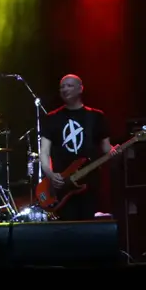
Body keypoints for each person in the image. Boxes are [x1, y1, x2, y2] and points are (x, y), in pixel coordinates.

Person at [39, 74, 112, 221]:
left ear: (80, 89)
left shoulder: (96, 116)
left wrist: (117, 151)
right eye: (62, 87)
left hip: (89, 184)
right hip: (63, 185)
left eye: (69, 86)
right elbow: (44, 152)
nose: (65, 89)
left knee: (88, 226)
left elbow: (106, 149)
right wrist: (50, 174)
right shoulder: (52, 118)